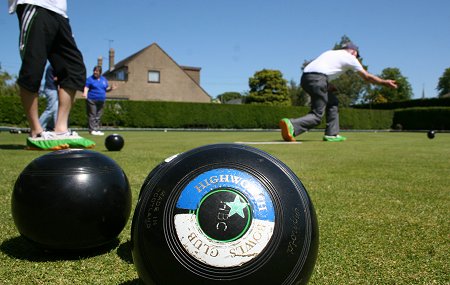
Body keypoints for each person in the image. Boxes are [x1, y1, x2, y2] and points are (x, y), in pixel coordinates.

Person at [280, 42, 398, 142]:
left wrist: (328, 85)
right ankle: (292, 124)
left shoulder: (330, 53)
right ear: (353, 51)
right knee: (317, 116)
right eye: (357, 55)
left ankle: (332, 134)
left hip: (306, 79)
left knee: (332, 102)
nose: (357, 57)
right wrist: (384, 82)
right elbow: (367, 77)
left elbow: (319, 70)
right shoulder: (351, 58)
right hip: (319, 79)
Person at [8, 0, 86, 139]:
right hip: (35, 4)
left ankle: (61, 129)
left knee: (74, 68)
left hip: (60, 12)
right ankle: (36, 130)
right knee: (33, 69)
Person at [83, 66, 117, 136]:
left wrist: (111, 88)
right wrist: (85, 94)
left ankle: (96, 129)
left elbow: (106, 89)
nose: (95, 72)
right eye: (94, 71)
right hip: (92, 99)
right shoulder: (90, 79)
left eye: (97, 71)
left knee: (98, 116)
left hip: (101, 100)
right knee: (92, 115)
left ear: (100, 72)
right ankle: (92, 130)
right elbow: (86, 87)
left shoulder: (104, 79)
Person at [39, 64, 58, 131]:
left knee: (56, 110)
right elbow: (56, 78)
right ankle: (38, 127)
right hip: (51, 89)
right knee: (50, 109)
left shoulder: (53, 65)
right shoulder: (54, 66)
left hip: (52, 89)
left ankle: (57, 127)